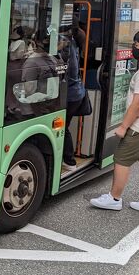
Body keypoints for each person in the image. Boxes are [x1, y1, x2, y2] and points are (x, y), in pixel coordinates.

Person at [90, 28, 139, 216]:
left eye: (136, 45)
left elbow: (138, 103)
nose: (133, 48)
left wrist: (124, 126)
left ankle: (114, 199)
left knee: (121, 159)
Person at [62, 18, 86, 172]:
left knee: (63, 127)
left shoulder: (68, 46)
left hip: (71, 94)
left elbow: (68, 72)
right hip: (75, 92)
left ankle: (69, 161)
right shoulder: (73, 43)